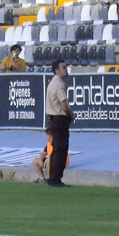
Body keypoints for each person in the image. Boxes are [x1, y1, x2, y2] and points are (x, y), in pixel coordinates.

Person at [45, 59, 73, 188]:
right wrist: (71, 115)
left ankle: (52, 177)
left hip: (52, 118)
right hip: (59, 119)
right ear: (57, 70)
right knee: (61, 150)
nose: (66, 69)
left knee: (55, 150)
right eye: (63, 67)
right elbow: (64, 105)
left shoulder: (52, 83)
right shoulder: (59, 84)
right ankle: (56, 179)